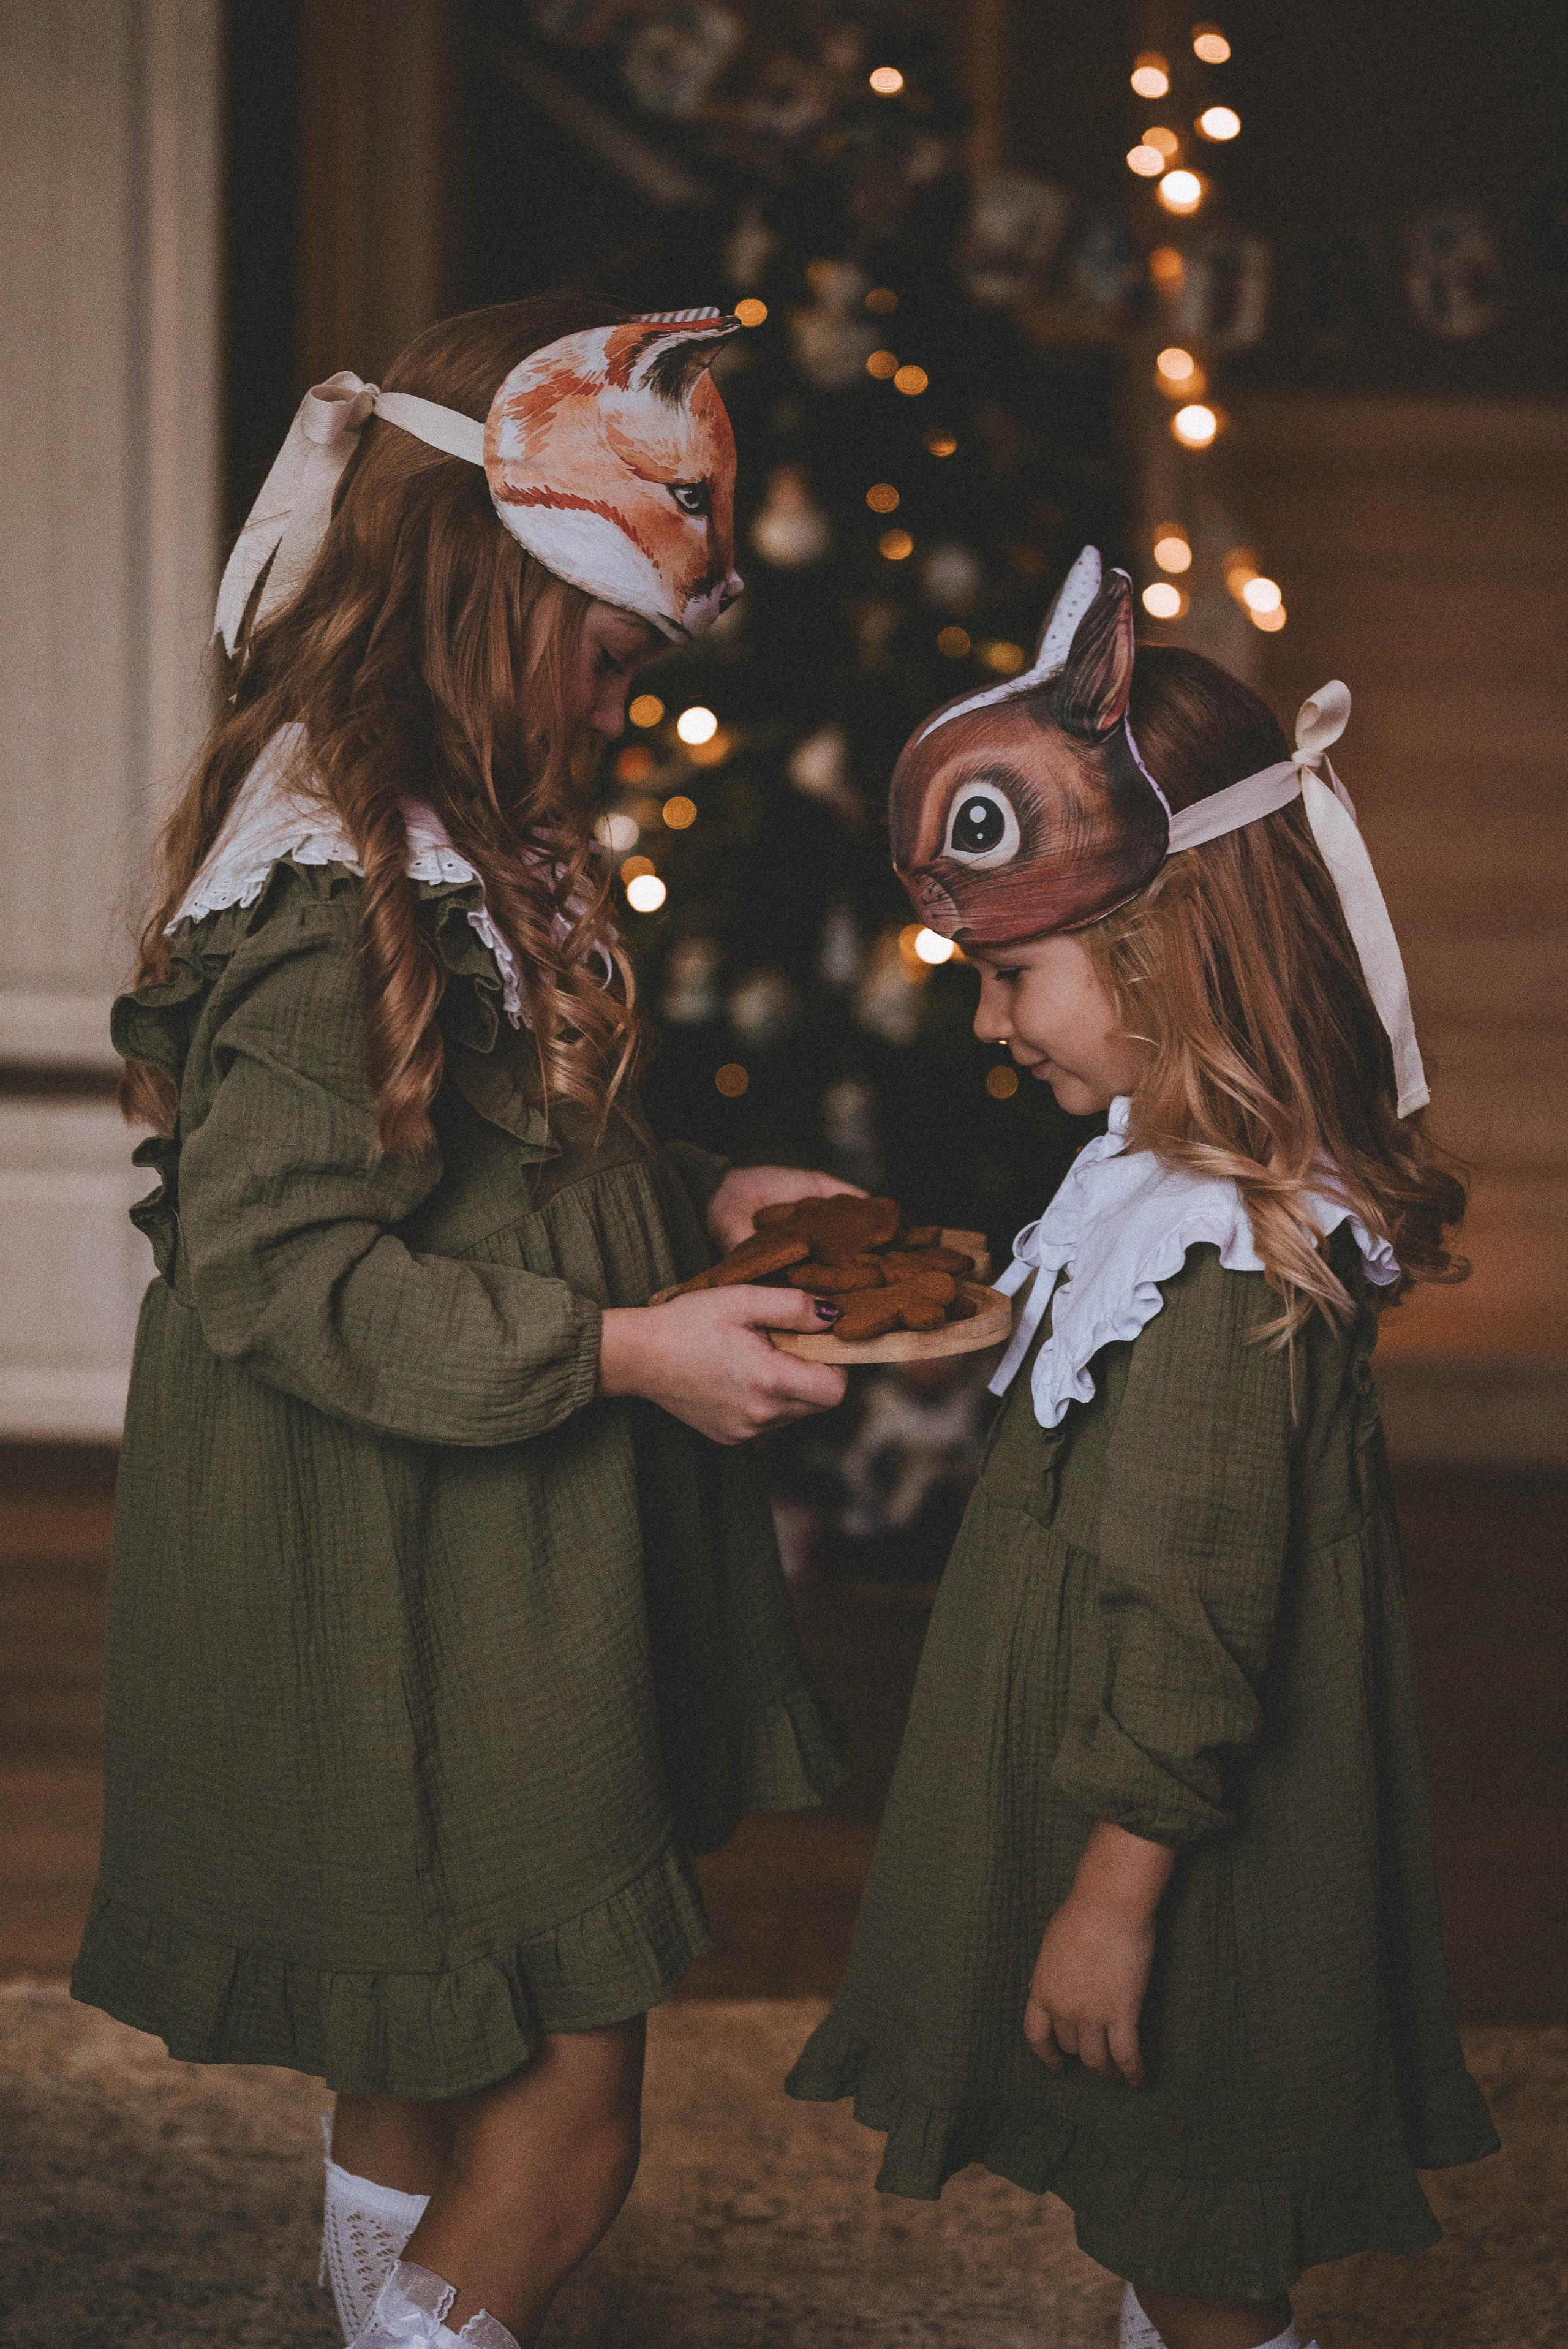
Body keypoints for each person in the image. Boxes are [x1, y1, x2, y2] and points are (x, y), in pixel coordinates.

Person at [72, 295, 858, 2349]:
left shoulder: (479, 842)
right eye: (610, 659)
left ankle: (386, 2305)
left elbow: (519, 1175)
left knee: (419, 2044)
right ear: (489, 588)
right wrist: (623, 1352)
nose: (622, 711)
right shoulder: (338, 896)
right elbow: (281, 1266)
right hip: (416, 1587)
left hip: (487, 1559)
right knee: (574, 2116)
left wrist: (704, 1202)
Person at [786, 549, 1498, 2349]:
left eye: (1009, 972)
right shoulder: (1159, 1189)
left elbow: (1193, 1622)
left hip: (1190, 1855)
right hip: (1134, 1804)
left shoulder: (1218, 1265)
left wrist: (1110, 1902)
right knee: (1154, 2186)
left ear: (1155, 946)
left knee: (1197, 2212)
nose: (986, 1015)